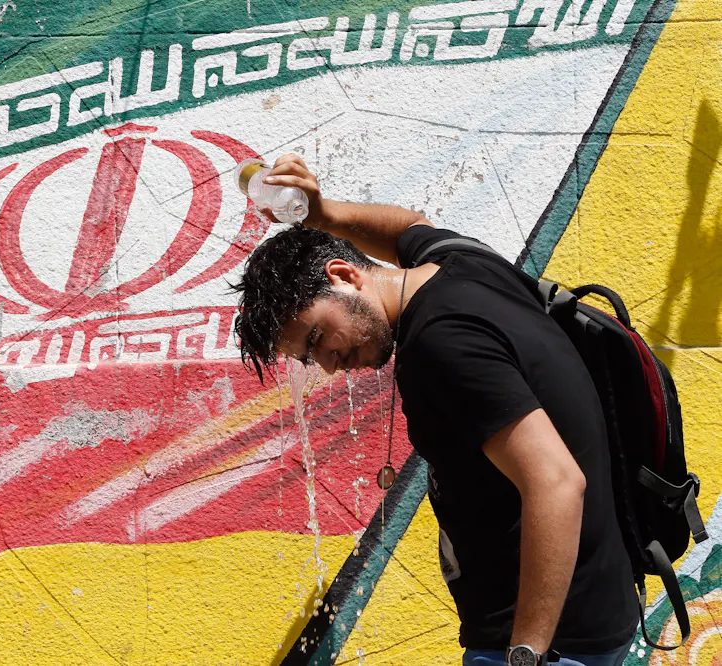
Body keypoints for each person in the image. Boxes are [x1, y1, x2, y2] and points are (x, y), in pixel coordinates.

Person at [231, 154, 639, 666]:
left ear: (343, 275)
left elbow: (556, 482)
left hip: (547, 641)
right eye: (309, 357)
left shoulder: (440, 346)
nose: (329, 365)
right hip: (592, 617)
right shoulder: (457, 262)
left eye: (317, 337)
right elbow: (408, 227)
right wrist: (324, 214)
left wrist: (526, 652)